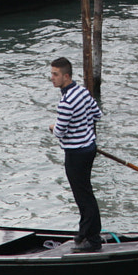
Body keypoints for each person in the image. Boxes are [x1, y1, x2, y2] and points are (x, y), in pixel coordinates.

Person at [48, 56, 103, 252]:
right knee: (86, 192)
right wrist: (83, 125)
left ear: (66, 76)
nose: (52, 78)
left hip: (76, 153)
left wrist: (52, 127)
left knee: (83, 196)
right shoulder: (83, 92)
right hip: (89, 148)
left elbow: (59, 131)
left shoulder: (66, 101)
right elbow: (97, 114)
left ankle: (92, 239)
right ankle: (84, 232)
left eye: (55, 74)